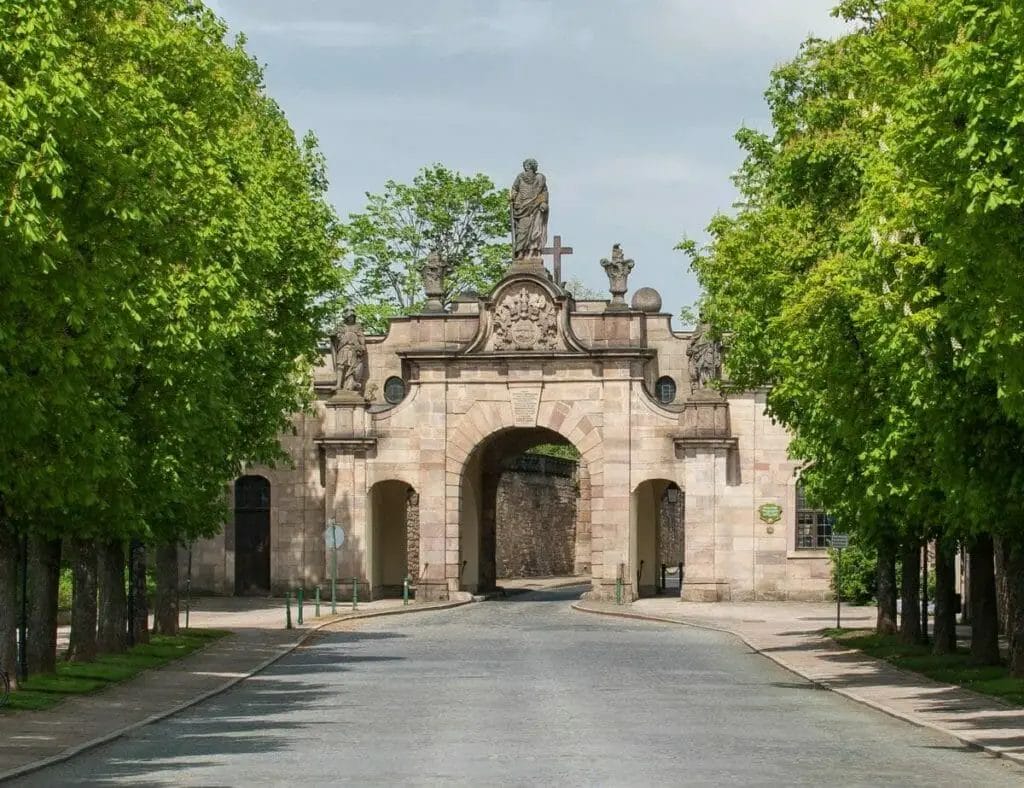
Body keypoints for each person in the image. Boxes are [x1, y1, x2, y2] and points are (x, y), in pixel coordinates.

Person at [510, 158, 549, 259]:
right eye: (526, 166)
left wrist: (543, 202)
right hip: (522, 208)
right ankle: (520, 253)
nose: (528, 168)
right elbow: (514, 188)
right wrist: (513, 196)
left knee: (535, 231)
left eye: (530, 166)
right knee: (522, 230)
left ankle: (532, 252)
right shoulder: (520, 177)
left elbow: (544, 192)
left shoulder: (540, 178)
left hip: (536, 207)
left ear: (533, 167)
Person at [331, 310, 366, 394]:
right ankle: (339, 384)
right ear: (346, 317)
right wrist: (343, 337)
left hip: (353, 349)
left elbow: (361, 337)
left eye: (352, 317)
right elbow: (337, 336)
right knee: (340, 365)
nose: (351, 318)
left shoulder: (357, 327)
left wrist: (362, 345)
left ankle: (349, 385)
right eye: (349, 317)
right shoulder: (342, 326)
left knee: (351, 367)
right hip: (343, 348)